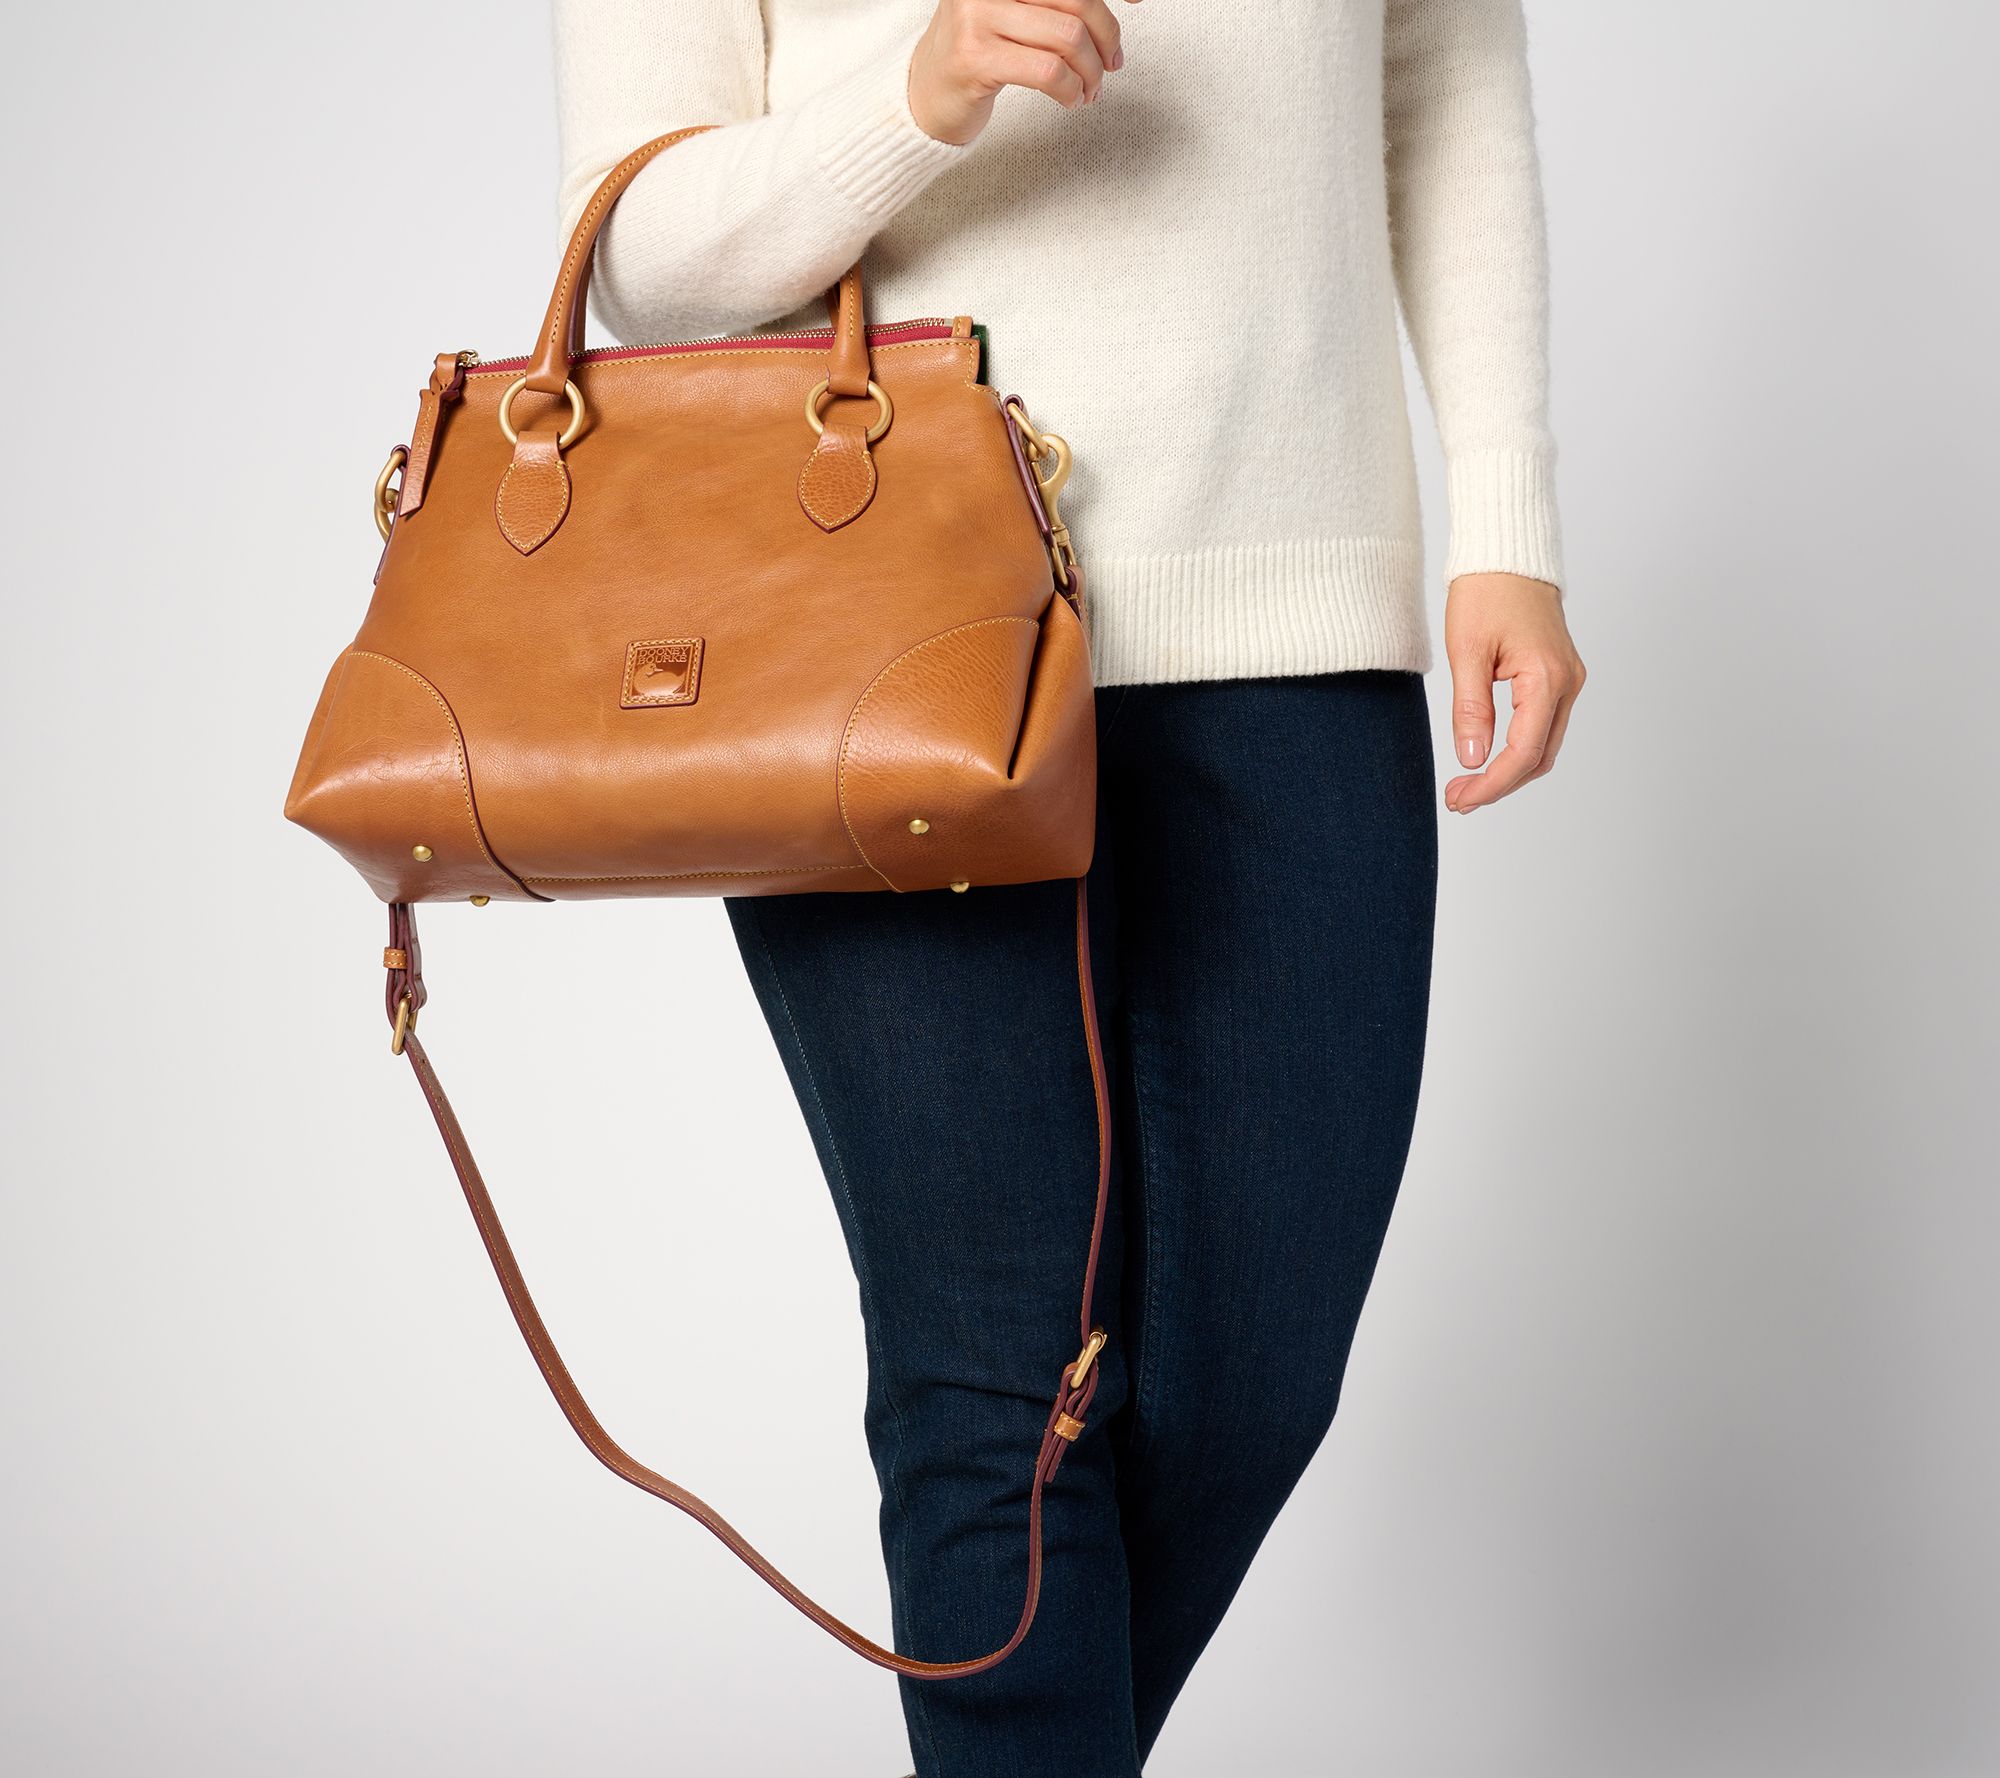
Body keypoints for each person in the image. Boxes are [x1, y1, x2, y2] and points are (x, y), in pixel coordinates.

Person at [555, 1, 1585, 1771]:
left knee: (1256, 1379)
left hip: (1294, 608)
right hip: (884, 633)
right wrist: (923, 88)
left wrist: (1506, 517)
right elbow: (642, 258)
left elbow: (1444, 69)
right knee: (993, 1391)